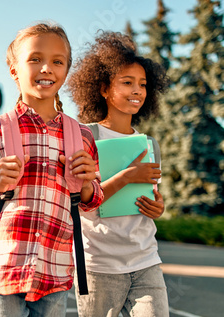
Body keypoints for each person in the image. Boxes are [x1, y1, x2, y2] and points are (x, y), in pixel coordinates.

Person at [0, 22, 104, 317]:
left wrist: (87, 184)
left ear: (65, 72)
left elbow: (92, 201)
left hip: (55, 269)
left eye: (57, 61)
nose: (46, 68)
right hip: (3, 265)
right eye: (35, 59)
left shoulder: (81, 137)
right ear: (14, 71)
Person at [67, 31, 170, 316]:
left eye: (142, 84)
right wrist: (127, 176)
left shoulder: (148, 144)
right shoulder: (85, 137)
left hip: (145, 259)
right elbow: (80, 202)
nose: (137, 90)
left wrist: (157, 207)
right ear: (103, 89)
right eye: (127, 83)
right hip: (99, 265)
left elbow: (152, 197)